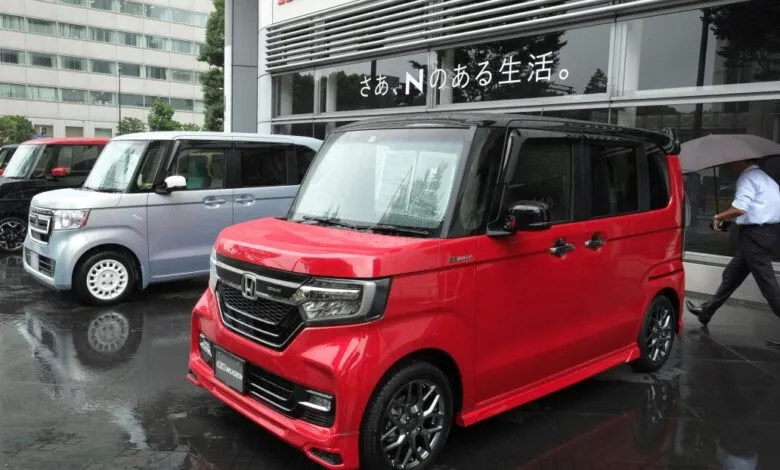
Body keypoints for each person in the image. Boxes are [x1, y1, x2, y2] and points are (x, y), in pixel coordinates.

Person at [686, 158, 780, 346]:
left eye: (734, 162)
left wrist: (718, 216)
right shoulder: (767, 179)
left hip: (754, 237)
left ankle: (707, 311)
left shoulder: (747, 178)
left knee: (768, 285)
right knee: (731, 276)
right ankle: (706, 313)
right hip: (767, 233)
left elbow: (740, 208)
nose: (730, 165)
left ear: (743, 162)